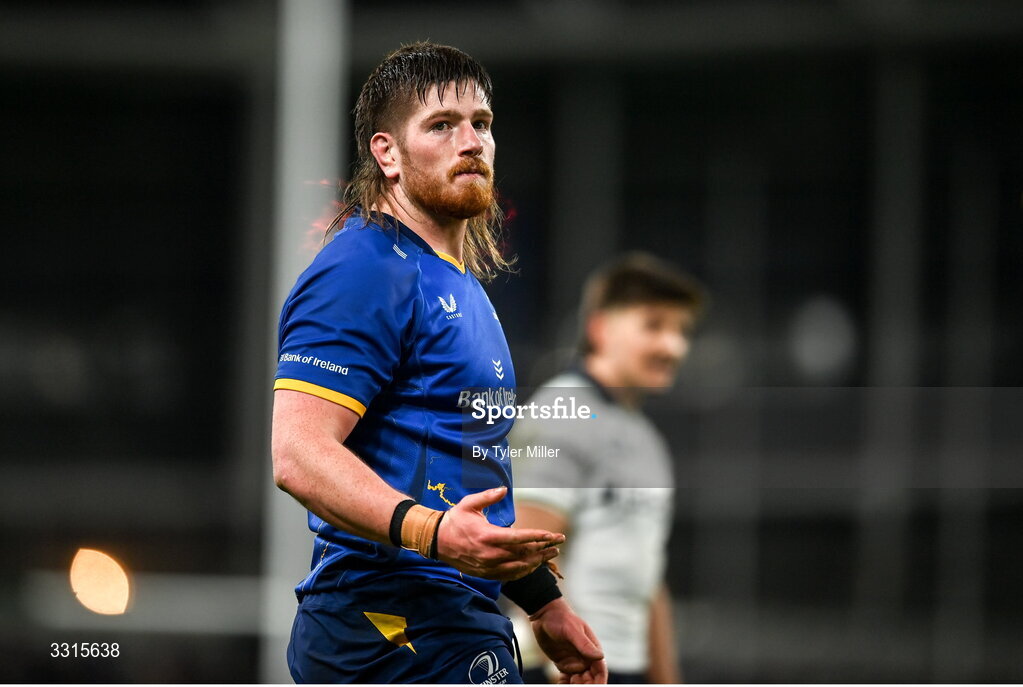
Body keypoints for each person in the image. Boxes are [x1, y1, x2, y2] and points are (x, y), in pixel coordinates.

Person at [271, 42, 607, 684]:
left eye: (481, 123)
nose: (471, 141)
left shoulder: (459, 284)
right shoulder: (364, 270)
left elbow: (456, 468)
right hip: (386, 625)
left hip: (453, 619)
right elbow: (298, 452)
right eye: (441, 125)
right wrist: (432, 534)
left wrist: (544, 602)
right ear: (386, 154)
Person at [510, 253, 706, 684]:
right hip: (572, 672)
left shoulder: (645, 438)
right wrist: (558, 662)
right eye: (654, 325)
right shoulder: (564, 411)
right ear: (599, 328)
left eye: (681, 331)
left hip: (622, 670)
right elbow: (522, 554)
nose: (673, 346)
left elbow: (647, 579)